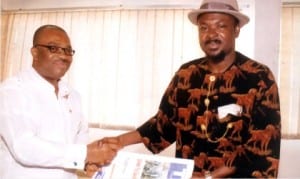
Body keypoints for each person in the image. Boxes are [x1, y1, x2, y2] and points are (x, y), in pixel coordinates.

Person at [101, 0, 281, 178]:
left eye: (220, 26)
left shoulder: (259, 77)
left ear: (236, 30)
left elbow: (259, 149)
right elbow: (162, 125)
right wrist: (119, 141)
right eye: (204, 27)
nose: (211, 34)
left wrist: (209, 177)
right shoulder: (186, 74)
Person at [0, 24, 121, 179]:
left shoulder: (73, 95)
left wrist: (86, 164)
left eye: (68, 50)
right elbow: (23, 146)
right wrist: (85, 154)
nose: (63, 56)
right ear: (35, 52)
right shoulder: (12, 90)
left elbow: (80, 138)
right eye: (53, 48)